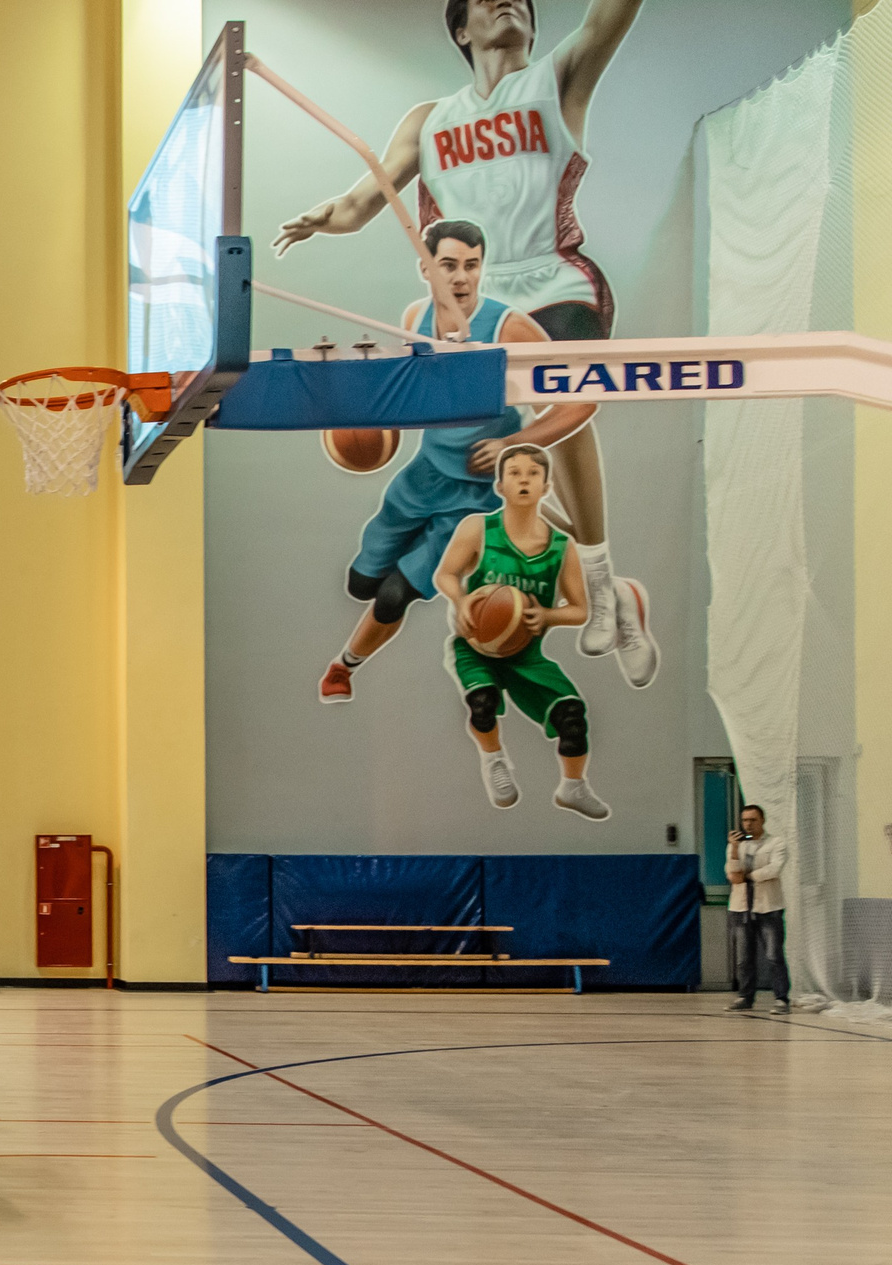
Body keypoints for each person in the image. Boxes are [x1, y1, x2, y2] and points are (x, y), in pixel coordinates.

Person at [277, 0, 652, 666]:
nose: (505, 1)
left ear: (532, 23)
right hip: (473, 306)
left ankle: (597, 584)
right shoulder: (429, 120)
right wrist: (322, 218)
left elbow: (608, 17)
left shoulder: (558, 77)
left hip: (554, 281)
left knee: (560, 394)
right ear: (460, 28)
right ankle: (612, 588)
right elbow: (361, 203)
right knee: (491, 471)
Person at [313, 221, 618, 703]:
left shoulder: (508, 328)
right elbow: (411, 397)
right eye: (449, 266)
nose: (461, 278)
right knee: (361, 584)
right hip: (423, 478)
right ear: (425, 268)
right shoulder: (414, 318)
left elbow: (582, 399)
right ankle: (577, 546)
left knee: (394, 595)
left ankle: (343, 667)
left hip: (472, 497)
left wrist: (513, 442)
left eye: (471, 266)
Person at [431, 444, 611, 819]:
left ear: (547, 486)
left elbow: (580, 610)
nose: (524, 480)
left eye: (533, 473)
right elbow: (445, 574)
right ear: (500, 485)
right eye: (514, 473)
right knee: (481, 704)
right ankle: (494, 759)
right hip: (476, 646)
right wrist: (461, 601)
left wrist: (547, 616)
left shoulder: (562, 546)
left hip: (526, 653)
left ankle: (573, 786)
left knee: (572, 717)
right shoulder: (478, 528)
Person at [726, 804, 789, 1012]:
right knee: (744, 958)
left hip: (768, 907)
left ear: (762, 820)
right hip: (741, 907)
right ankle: (745, 997)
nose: (748, 824)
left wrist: (749, 876)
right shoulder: (736, 845)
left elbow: (774, 869)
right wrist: (735, 848)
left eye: (753, 820)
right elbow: (732, 874)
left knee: (773, 955)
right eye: (745, 820)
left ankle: (781, 999)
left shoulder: (776, 843)